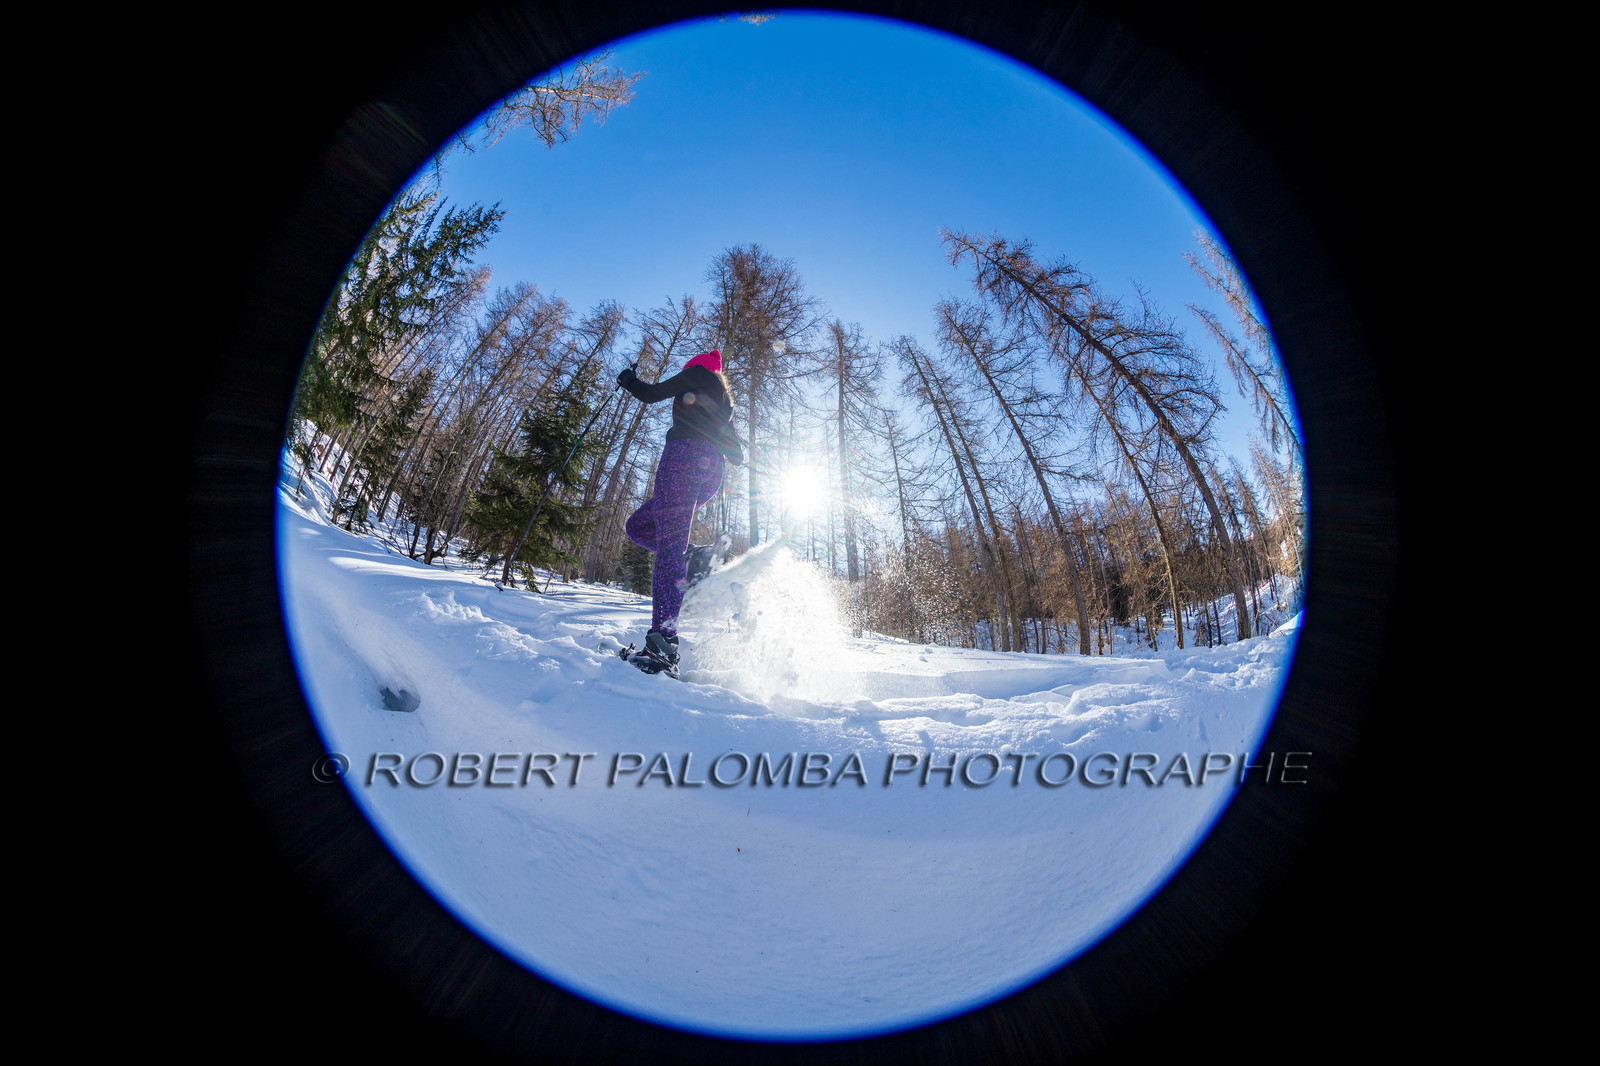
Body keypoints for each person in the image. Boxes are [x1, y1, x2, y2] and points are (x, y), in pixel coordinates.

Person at [617, 350, 743, 672]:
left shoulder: (697, 373)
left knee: (669, 548)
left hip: (683, 458)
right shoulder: (725, 402)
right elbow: (737, 455)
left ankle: (663, 643)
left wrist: (628, 379)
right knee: (638, 526)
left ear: (696, 366)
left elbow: (651, 394)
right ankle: (691, 560)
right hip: (710, 473)